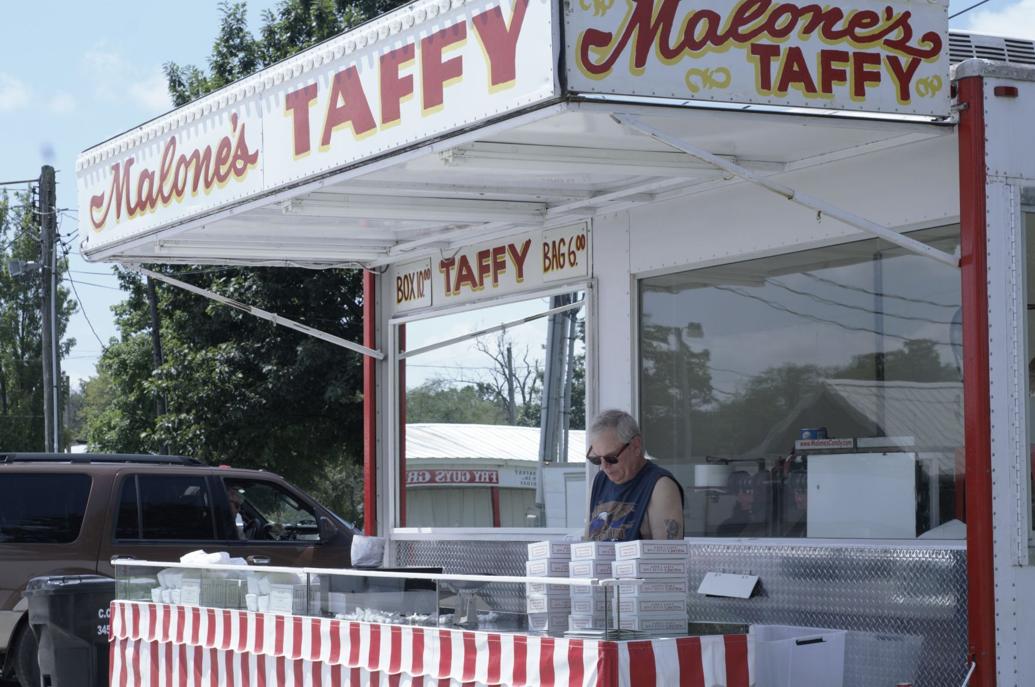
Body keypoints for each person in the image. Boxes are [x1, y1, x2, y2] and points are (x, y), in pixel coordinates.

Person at [585, 409, 685, 541]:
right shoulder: (599, 480)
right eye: (596, 459)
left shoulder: (659, 486)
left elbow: (667, 555)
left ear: (636, 446)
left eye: (611, 458)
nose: (604, 467)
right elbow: (588, 541)